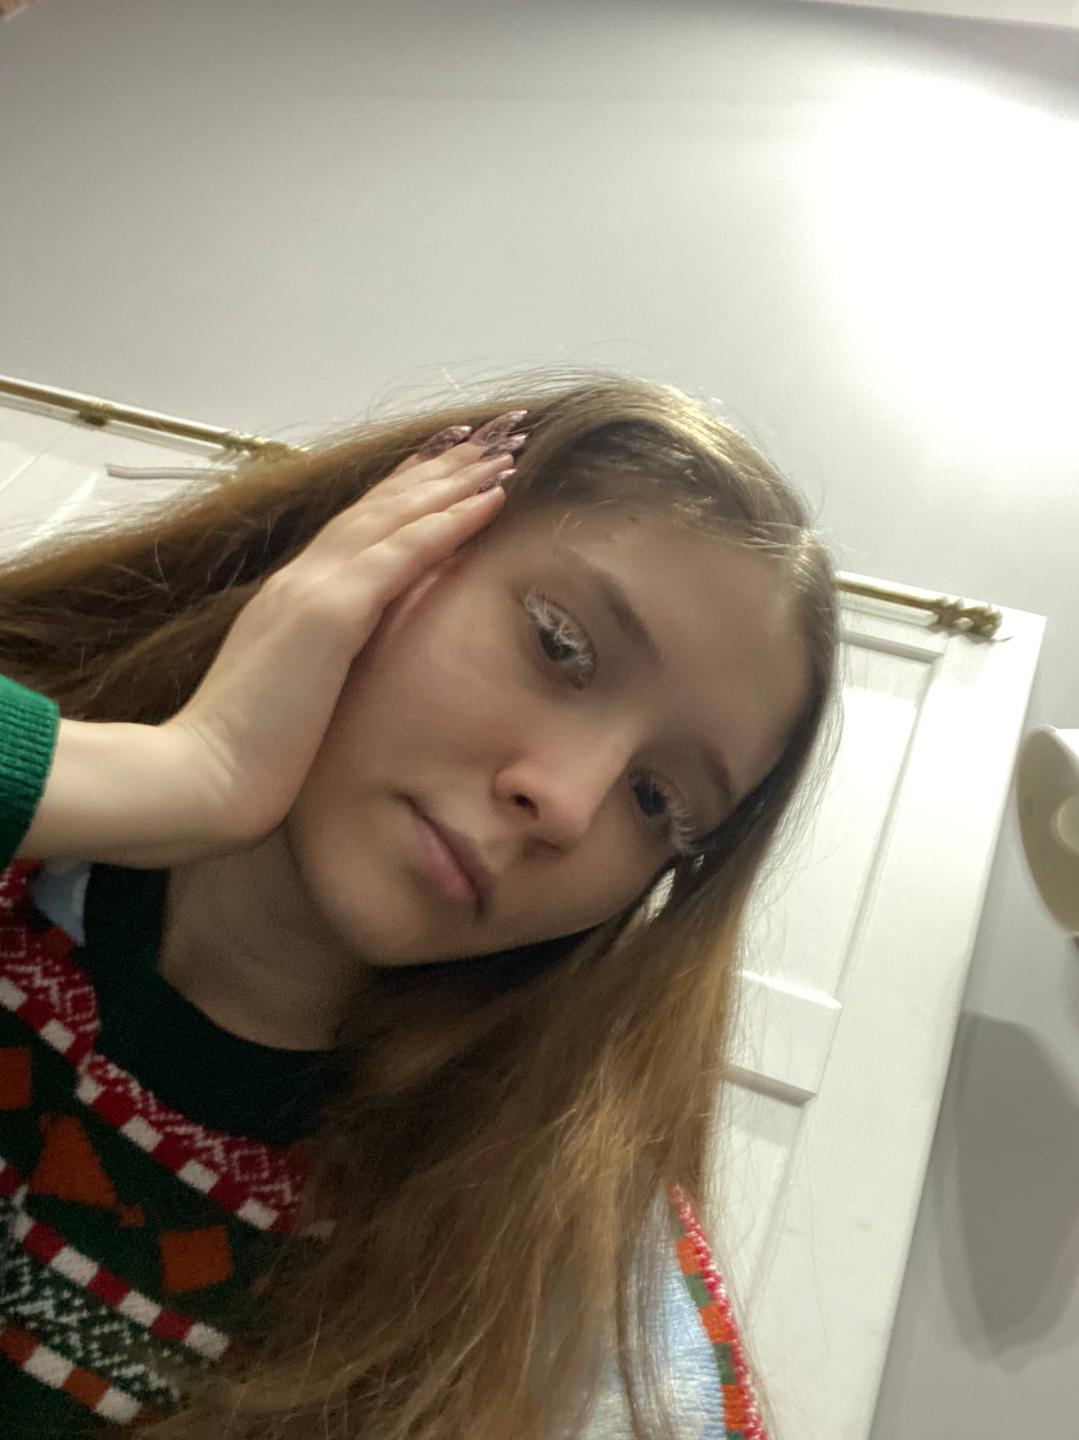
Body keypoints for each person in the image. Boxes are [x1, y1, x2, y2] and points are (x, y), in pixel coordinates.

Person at [0, 370, 840, 1439]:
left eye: (656, 801)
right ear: (384, 537)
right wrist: (171, 776)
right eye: (559, 642)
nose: (566, 803)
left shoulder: (557, 1278)